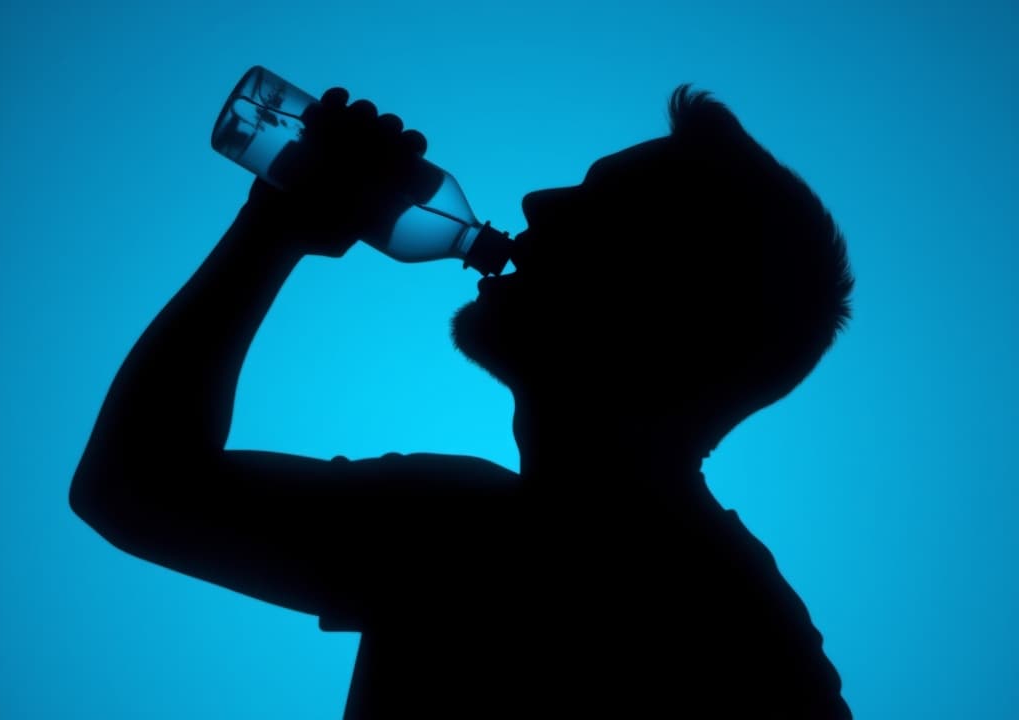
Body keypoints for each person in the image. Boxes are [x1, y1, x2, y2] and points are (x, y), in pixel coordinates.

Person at [70, 84, 855, 718]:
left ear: (670, 306)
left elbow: (135, 489)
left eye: (601, 204)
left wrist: (269, 236)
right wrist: (276, 225)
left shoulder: (729, 632)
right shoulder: (458, 527)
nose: (538, 201)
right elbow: (135, 489)